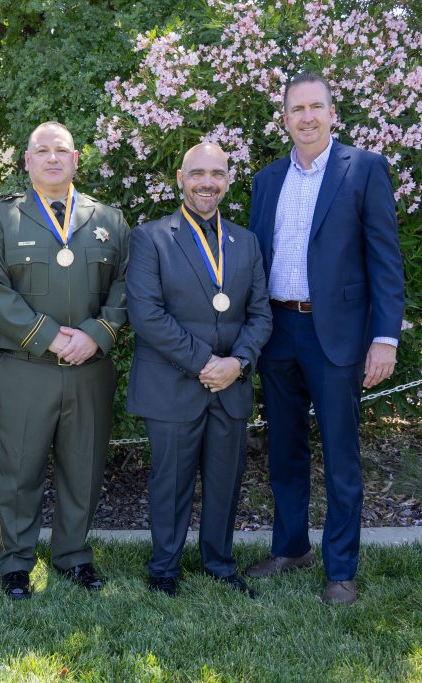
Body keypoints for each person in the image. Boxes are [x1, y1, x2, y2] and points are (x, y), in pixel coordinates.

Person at [245, 72, 405, 605]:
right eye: (297, 109)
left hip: (335, 334)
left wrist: (384, 338)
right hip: (277, 331)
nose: (307, 117)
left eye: (316, 107)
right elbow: (254, 261)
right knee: (284, 450)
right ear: (285, 119)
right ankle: (291, 548)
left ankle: (341, 570)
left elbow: (385, 261)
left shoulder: (364, 169)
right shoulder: (267, 180)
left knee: (340, 455)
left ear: (333, 114)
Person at [0, 121, 129, 599]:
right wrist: (49, 337)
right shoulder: (1, 220)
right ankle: (16, 561)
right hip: (25, 367)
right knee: (19, 470)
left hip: (89, 368)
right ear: (27, 161)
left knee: (84, 467)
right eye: (42, 151)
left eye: (62, 150)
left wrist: (97, 334)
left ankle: (73, 555)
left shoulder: (110, 220)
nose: (53, 158)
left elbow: (127, 285)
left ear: (76, 160)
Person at [126, 143, 271, 598]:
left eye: (217, 174)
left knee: (225, 482)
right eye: (198, 173)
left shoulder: (246, 242)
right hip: (172, 384)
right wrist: (207, 364)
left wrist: (238, 363)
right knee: (170, 482)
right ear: (180, 178)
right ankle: (164, 569)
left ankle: (220, 564)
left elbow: (261, 314)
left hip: (230, 386)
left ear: (227, 180)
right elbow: (147, 315)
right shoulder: (150, 238)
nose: (207, 182)